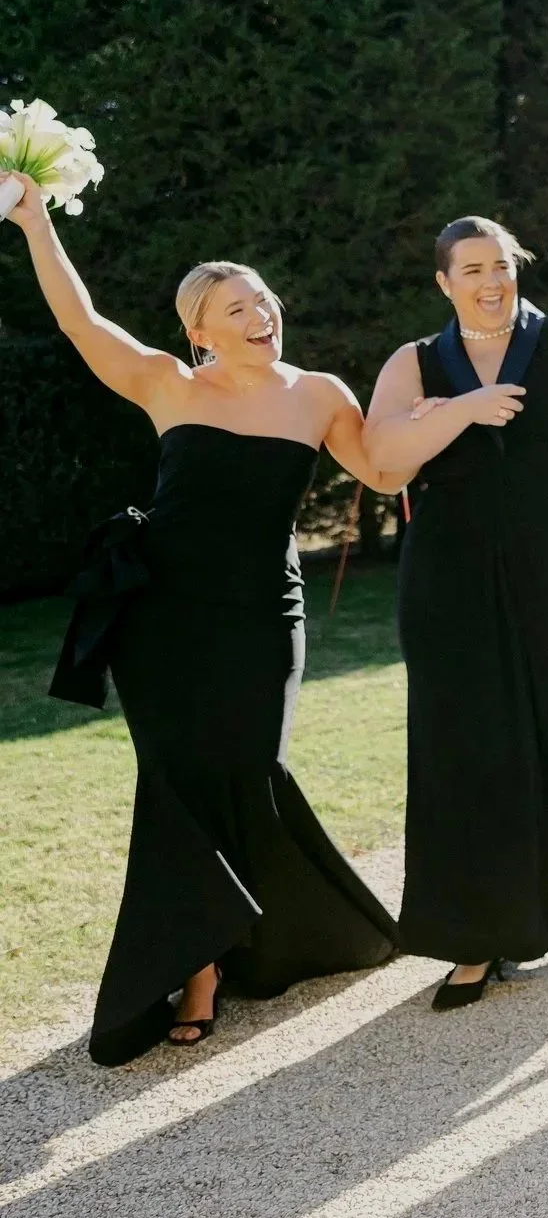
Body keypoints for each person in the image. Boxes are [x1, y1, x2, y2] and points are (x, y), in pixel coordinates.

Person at [7, 173, 400, 1064]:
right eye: (235, 305)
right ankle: (198, 967)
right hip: (165, 617)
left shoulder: (321, 394)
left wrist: (447, 409)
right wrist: (34, 220)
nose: (260, 311)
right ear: (200, 330)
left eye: (262, 297)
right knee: (180, 778)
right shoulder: (168, 384)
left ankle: (266, 928)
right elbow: (81, 322)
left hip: (264, 609)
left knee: (252, 764)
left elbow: (381, 468)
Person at [364, 216, 548, 1010]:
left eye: (502, 264)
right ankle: (473, 935)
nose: (491, 280)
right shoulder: (417, 362)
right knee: (462, 741)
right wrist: (462, 409)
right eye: (471, 269)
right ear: (443, 282)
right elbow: (382, 455)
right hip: (449, 580)